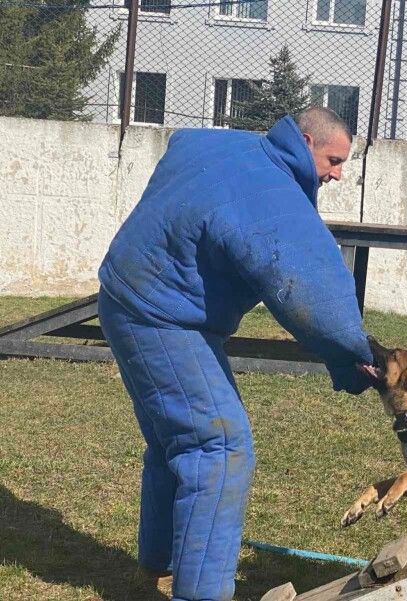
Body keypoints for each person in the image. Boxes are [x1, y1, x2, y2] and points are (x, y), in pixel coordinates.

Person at [97, 107, 373, 601]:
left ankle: (158, 568)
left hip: (127, 293)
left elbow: (181, 143)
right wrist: (350, 355)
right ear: (306, 141)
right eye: (333, 160)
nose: (337, 173)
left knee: (176, 441)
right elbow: (312, 290)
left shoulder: (226, 146)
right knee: (218, 448)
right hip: (162, 318)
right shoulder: (271, 196)